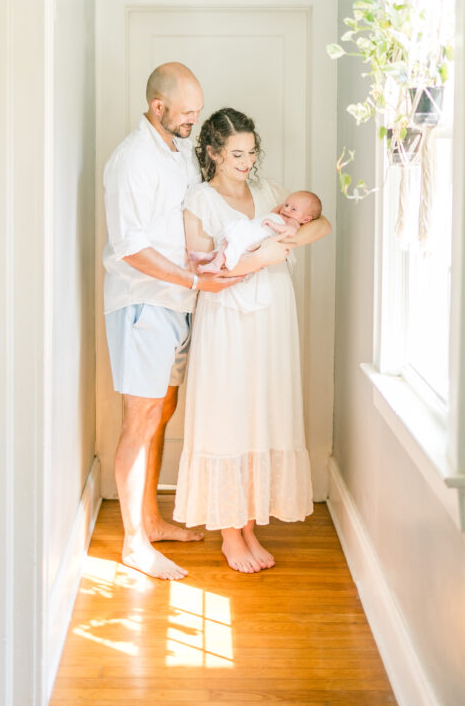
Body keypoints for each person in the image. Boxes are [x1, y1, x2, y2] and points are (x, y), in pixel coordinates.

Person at [102, 63, 245, 581]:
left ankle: (152, 520)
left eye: (198, 110)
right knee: (140, 420)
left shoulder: (178, 151)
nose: (195, 120)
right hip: (143, 305)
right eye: (187, 113)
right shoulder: (131, 161)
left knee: (163, 411)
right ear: (158, 108)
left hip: (177, 304)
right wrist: (193, 282)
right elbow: (131, 248)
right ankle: (134, 545)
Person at [173, 108, 331, 573]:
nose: (245, 162)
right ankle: (229, 532)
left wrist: (289, 240)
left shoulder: (271, 194)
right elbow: (200, 268)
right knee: (229, 412)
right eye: (236, 154)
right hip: (227, 317)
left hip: (274, 316)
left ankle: (248, 526)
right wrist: (262, 257)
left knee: (264, 408)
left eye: (251, 152)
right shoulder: (200, 200)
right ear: (213, 153)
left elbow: (321, 224)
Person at [193, 189, 322, 273]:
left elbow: (290, 232)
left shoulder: (293, 222)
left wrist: (274, 224)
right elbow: (275, 212)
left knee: (236, 237)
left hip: (260, 233)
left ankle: (216, 263)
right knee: (232, 236)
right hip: (256, 228)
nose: (287, 209)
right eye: (286, 205)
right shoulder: (285, 215)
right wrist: (279, 211)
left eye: (293, 209)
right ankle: (213, 257)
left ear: (306, 219)